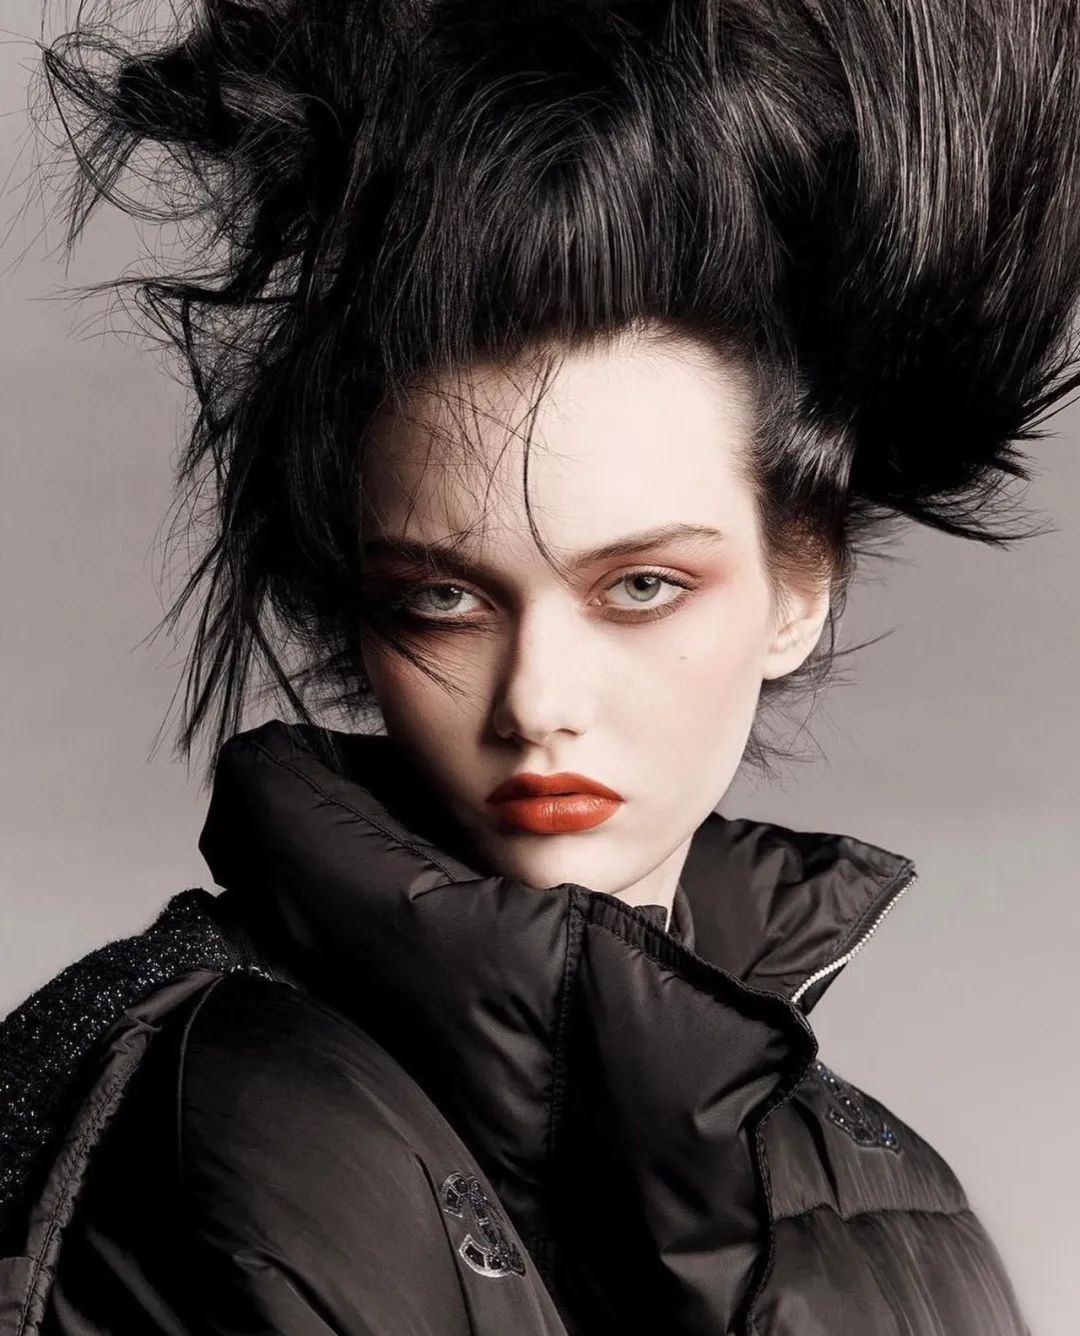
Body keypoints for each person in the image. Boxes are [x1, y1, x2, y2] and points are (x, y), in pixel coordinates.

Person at [2, 0, 1077, 1331]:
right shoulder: (212, 1128)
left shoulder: (904, 1212)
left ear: (799, 586)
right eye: (445, 599)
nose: (536, 704)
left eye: (641, 587)